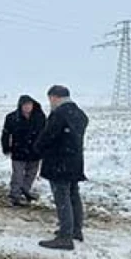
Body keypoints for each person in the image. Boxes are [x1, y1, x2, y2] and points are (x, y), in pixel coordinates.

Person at [34, 85, 90, 250]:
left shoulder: (59, 114)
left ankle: (65, 237)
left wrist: (38, 148)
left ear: (54, 97)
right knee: (73, 195)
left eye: (50, 98)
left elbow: (48, 135)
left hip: (59, 162)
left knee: (62, 198)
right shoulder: (79, 113)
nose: (50, 102)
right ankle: (76, 230)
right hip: (74, 161)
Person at [1, 94, 47, 207]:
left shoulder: (40, 117)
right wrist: (6, 147)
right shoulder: (12, 117)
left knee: (31, 174)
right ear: (20, 106)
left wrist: (44, 148)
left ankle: (25, 190)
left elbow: (46, 134)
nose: (27, 107)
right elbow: (6, 134)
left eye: (29, 105)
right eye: (25, 105)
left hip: (35, 151)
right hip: (18, 150)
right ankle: (15, 196)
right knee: (17, 175)